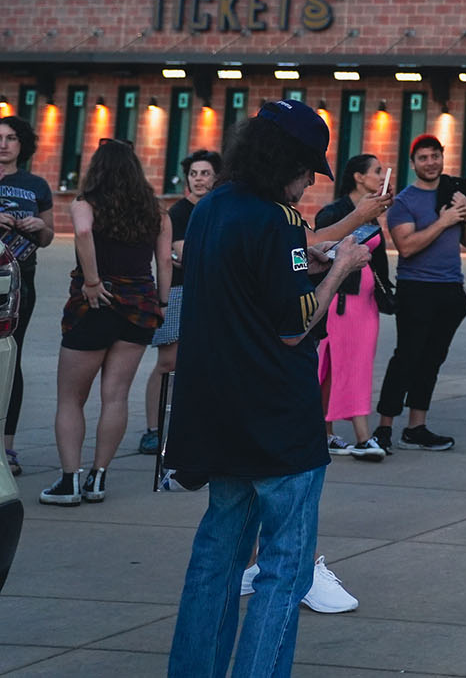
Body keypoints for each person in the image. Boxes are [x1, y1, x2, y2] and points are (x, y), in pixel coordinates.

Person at [166, 100, 372, 675]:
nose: (309, 180)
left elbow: (243, 289)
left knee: (216, 562)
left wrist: (304, 263)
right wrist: (338, 268)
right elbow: (292, 327)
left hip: (216, 414)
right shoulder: (277, 217)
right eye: (307, 167)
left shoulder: (210, 209)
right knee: (284, 570)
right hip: (277, 416)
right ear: (285, 160)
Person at [39, 140, 171, 507]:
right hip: (139, 307)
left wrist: (92, 281)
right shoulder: (156, 212)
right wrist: (160, 303)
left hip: (96, 304)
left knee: (71, 398)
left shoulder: (86, 203)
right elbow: (164, 263)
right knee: (115, 395)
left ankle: (69, 481)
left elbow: (82, 233)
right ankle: (98, 477)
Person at [373, 134, 466, 453]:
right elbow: (406, 247)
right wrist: (445, 220)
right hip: (416, 288)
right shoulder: (404, 201)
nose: (431, 162)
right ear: (413, 163)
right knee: (407, 356)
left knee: (433, 358)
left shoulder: (455, 193)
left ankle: (416, 426)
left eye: (435, 156)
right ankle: (384, 428)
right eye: (423, 158)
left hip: (451, 288)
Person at [140, 148, 220, 457]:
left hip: (212, 294)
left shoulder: (218, 210)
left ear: (217, 178)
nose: (199, 179)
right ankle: (152, 429)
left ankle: (193, 426)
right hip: (177, 293)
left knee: (205, 363)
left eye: (206, 173)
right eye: (194, 174)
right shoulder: (180, 212)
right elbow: (185, 254)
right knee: (167, 363)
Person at [315, 154, 395, 461]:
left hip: (366, 303)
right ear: (358, 177)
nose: (381, 176)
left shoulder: (372, 215)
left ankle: (324, 432)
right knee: (350, 366)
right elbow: (322, 252)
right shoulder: (335, 213)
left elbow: (377, 260)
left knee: (337, 369)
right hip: (341, 301)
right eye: (376, 171)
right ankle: (362, 437)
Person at [1, 115, 55, 477]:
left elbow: (49, 236)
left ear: (23, 144)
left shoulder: (35, 185)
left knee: (9, 360)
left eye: (11, 138)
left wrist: (40, 226)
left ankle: (7, 447)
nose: (3, 144)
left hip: (19, 284)